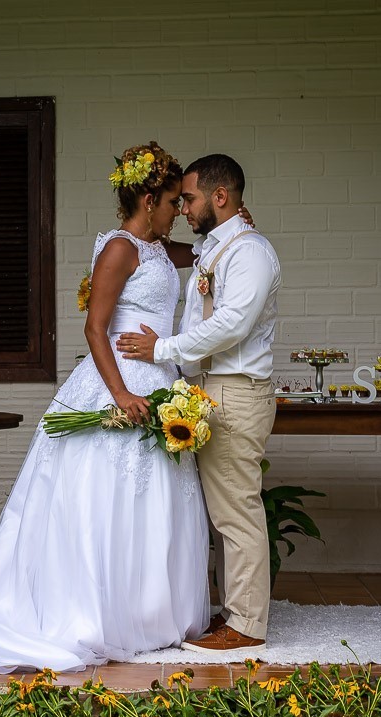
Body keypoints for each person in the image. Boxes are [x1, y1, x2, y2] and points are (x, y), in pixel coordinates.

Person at [0, 142, 211, 673]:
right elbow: (94, 328)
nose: (178, 212)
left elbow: (204, 256)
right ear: (149, 200)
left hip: (159, 381)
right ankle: (96, 617)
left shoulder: (159, 249)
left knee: (154, 501)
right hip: (118, 383)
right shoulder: (120, 250)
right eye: (173, 202)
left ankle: (149, 616)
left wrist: (234, 233)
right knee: (100, 501)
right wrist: (122, 395)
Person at [118, 154, 280, 654]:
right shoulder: (219, 246)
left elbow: (231, 323)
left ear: (220, 197)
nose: (184, 207)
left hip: (236, 389)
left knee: (237, 511)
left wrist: (161, 351)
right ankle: (234, 612)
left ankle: (248, 624)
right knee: (223, 512)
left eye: (188, 198)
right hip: (211, 389)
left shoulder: (250, 252)